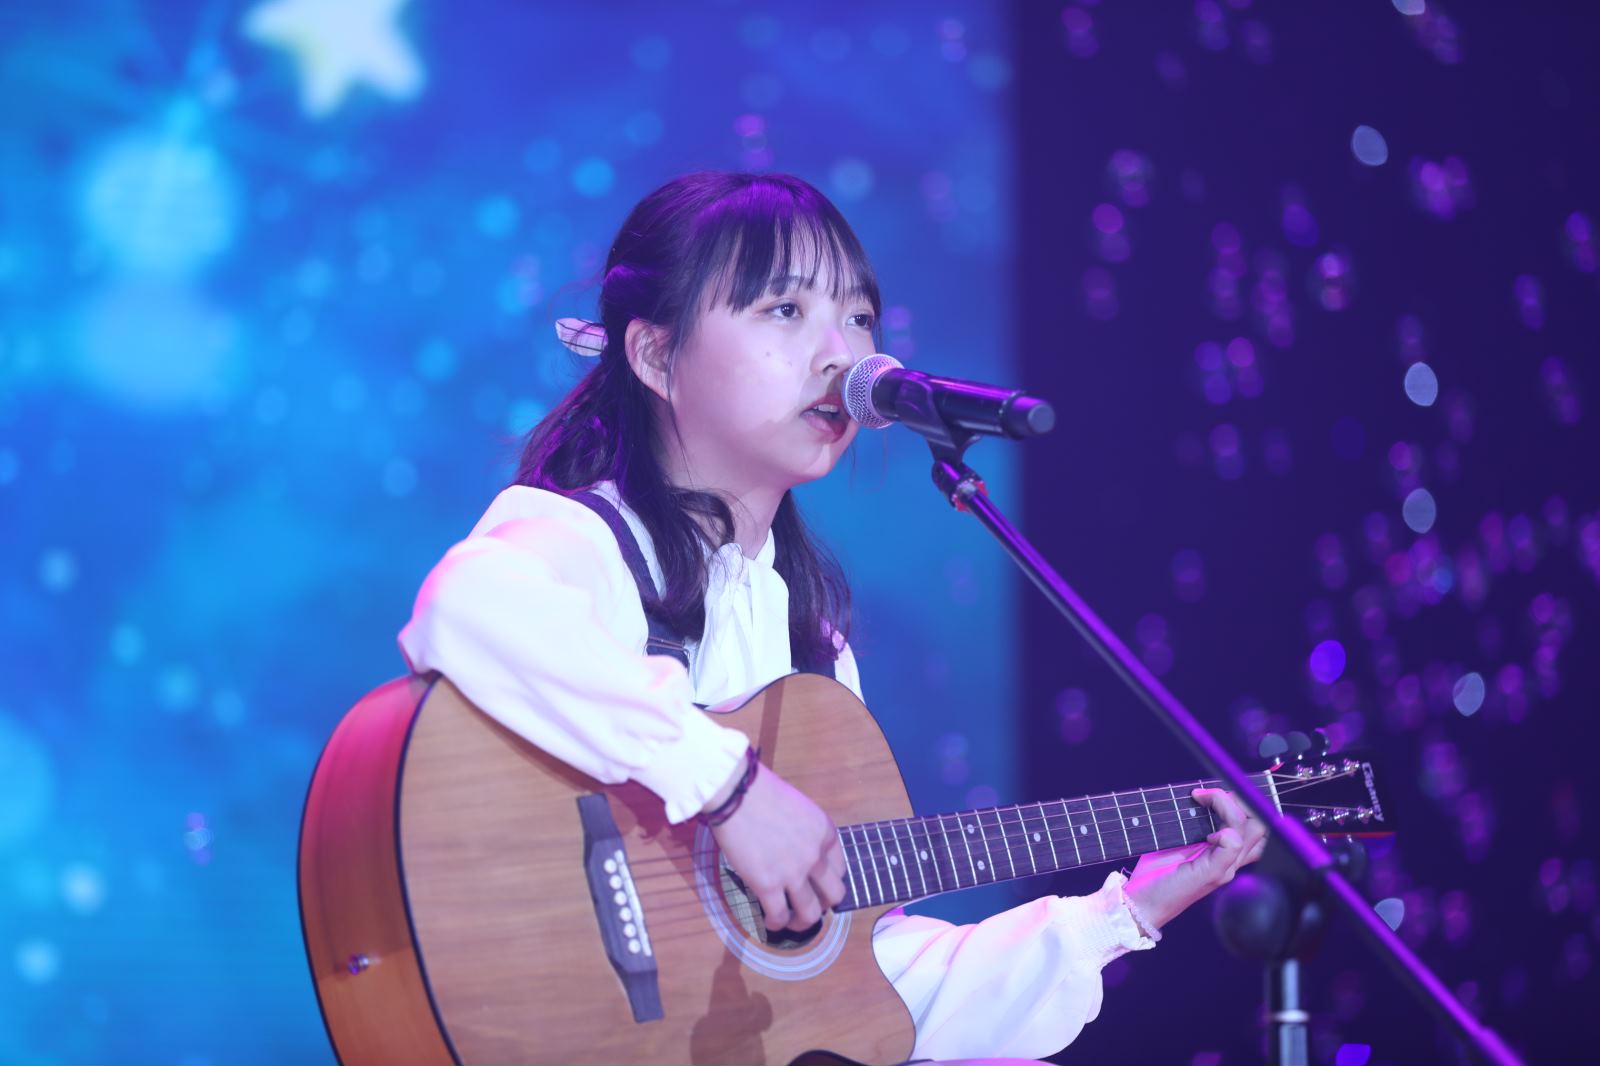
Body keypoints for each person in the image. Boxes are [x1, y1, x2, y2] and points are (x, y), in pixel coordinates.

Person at [398, 171, 1266, 1062]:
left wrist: (1126, 912)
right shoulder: (592, 541)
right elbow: (466, 603)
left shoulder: (812, 648)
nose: (841, 355)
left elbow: (866, 995)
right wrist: (731, 790)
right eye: (784, 310)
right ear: (656, 357)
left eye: (857, 317)